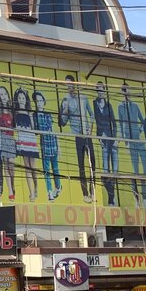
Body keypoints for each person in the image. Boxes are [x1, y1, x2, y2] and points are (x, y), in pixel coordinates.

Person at [59, 75, 96, 203]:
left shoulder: (83, 98)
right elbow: (63, 122)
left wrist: (90, 128)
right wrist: (65, 111)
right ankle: (85, 194)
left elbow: (92, 114)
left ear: (74, 84)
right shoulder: (66, 100)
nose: (69, 87)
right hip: (77, 136)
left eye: (70, 84)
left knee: (92, 163)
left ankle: (93, 192)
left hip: (87, 135)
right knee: (81, 166)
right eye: (66, 85)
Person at [117, 83, 146, 208]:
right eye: (124, 90)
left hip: (139, 141)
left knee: (145, 171)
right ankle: (136, 199)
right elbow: (120, 124)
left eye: (128, 90)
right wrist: (125, 142)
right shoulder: (120, 107)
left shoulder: (135, 106)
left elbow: (143, 121)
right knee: (135, 172)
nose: (126, 92)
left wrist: (140, 131)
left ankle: (145, 198)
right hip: (130, 141)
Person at [93, 81, 119, 206]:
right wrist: (99, 137)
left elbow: (114, 122)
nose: (100, 92)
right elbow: (95, 121)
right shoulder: (94, 104)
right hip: (103, 141)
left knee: (114, 172)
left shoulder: (109, 105)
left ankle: (111, 198)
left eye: (102, 90)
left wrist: (115, 139)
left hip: (112, 141)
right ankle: (110, 197)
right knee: (105, 171)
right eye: (98, 90)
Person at [33, 90, 62, 201]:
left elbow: (53, 130)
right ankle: (49, 192)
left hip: (53, 144)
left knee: (55, 169)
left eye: (41, 100)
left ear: (44, 102)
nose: (39, 103)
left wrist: (59, 147)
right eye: (37, 101)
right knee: (46, 171)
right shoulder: (35, 115)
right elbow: (36, 131)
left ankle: (58, 186)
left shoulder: (48, 114)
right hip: (45, 146)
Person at [13, 86, 40, 201]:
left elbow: (33, 128)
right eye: (19, 98)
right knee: (27, 167)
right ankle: (31, 193)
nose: (21, 100)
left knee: (33, 166)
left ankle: (36, 187)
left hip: (30, 139)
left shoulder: (29, 113)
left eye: (23, 98)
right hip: (22, 140)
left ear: (26, 99)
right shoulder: (15, 112)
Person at [0, 85, 17, 201]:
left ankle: (12, 186)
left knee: (11, 166)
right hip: (2, 139)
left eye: (5, 94)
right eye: (1, 94)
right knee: (5, 166)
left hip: (11, 139)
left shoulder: (12, 110)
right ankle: (10, 191)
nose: (3, 96)